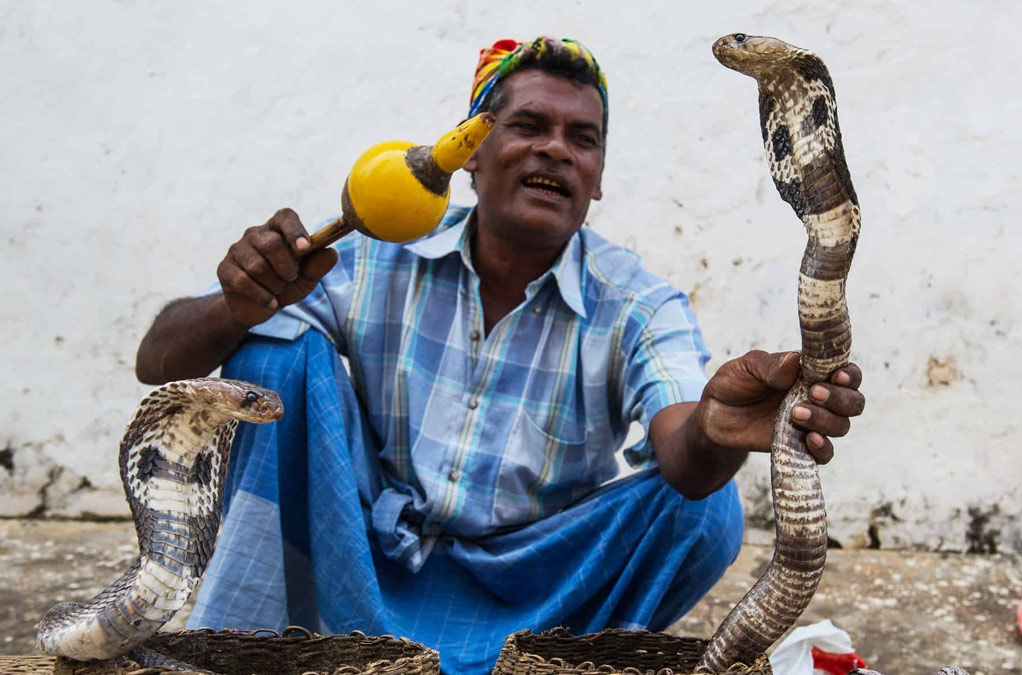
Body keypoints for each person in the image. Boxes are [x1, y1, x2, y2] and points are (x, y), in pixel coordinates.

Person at [135, 37, 865, 675]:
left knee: (705, 512)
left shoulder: (640, 302)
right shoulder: (372, 253)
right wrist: (238, 302)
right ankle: (272, 639)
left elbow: (682, 448)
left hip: (534, 593)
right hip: (361, 563)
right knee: (269, 354)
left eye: (583, 138)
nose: (556, 148)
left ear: (599, 179)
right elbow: (157, 359)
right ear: (471, 155)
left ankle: (547, 665)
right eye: (528, 125)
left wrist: (713, 427)